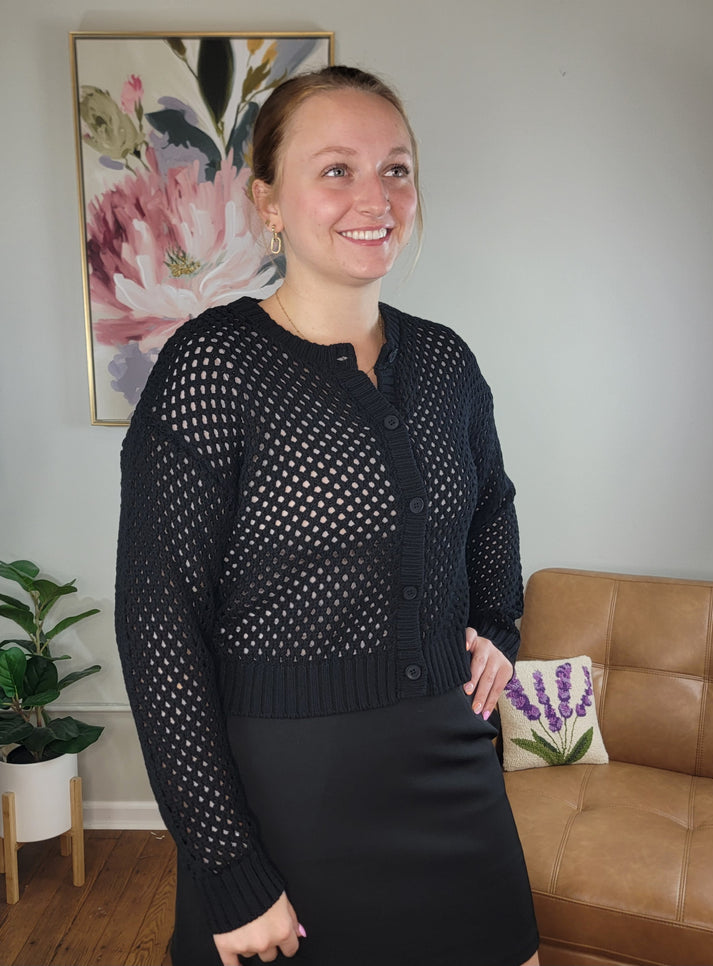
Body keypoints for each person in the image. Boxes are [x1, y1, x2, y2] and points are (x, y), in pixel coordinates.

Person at [115, 65, 540, 966]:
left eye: (396, 168)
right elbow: (160, 627)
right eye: (336, 169)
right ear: (268, 201)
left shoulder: (446, 361)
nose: (375, 196)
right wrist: (228, 865)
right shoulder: (213, 368)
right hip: (284, 802)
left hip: (454, 771)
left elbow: (491, 506)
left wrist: (498, 622)